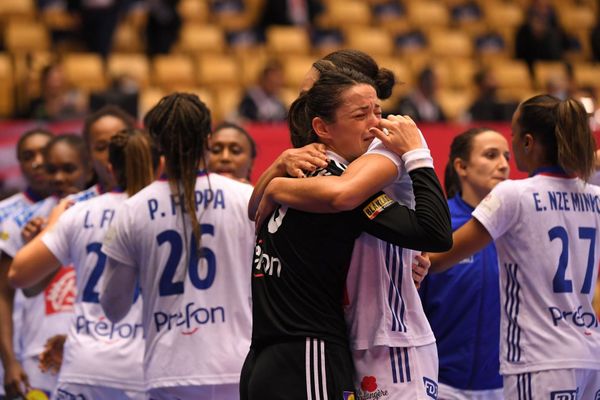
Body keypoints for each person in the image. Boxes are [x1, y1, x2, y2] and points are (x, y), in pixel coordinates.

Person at [241, 68, 452, 400]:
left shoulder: (300, 172)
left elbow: (255, 211)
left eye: (378, 111)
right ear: (322, 126)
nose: (375, 124)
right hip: (319, 351)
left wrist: (276, 177)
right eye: (360, 114)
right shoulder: (339, 185)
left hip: (270, 353)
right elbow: (435, 233)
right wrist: (418, 154)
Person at [428, 94, 600, 398]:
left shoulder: (513, 195)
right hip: (589, 353)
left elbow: (438, 260)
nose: (505, 164)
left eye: (512, 139)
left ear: (528, 142)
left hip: (539, 357)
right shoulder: (595, 196)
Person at [100, 93, 255, 400]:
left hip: (169, 370)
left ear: (154, 142)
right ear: (208, 138)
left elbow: (113, 307)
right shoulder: (246, 197)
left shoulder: (132, 210)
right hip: (238, 366)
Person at [9, 129, 160, 400]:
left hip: (86, 363)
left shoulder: (77, 211)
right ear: (159, 164)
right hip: (146, 366)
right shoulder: (170, 213)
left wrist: (52, 225)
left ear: (110, 168)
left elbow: (18, 275)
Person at [419, 128, 510, 399]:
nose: (504, 165)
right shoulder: (437, 223)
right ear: (461, 166)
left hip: (504, 385)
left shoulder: (517, 224)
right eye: (491, 155)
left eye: (507, 156)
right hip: (440, 384)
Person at [0, 134, 93, 398]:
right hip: (37, 354)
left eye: (68, 169)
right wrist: (9, 362)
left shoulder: (107, 212)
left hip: (94, 350)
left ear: (88, 169)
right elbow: (9, 291)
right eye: (53, 170)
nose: (59, 177)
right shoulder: (23, 221)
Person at [0, 129, 54, 400]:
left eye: (44, 152)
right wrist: (8, 361)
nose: (37, 161)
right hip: (20, 348)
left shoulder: (78, 207)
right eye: (28, 155)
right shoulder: (4, 214)